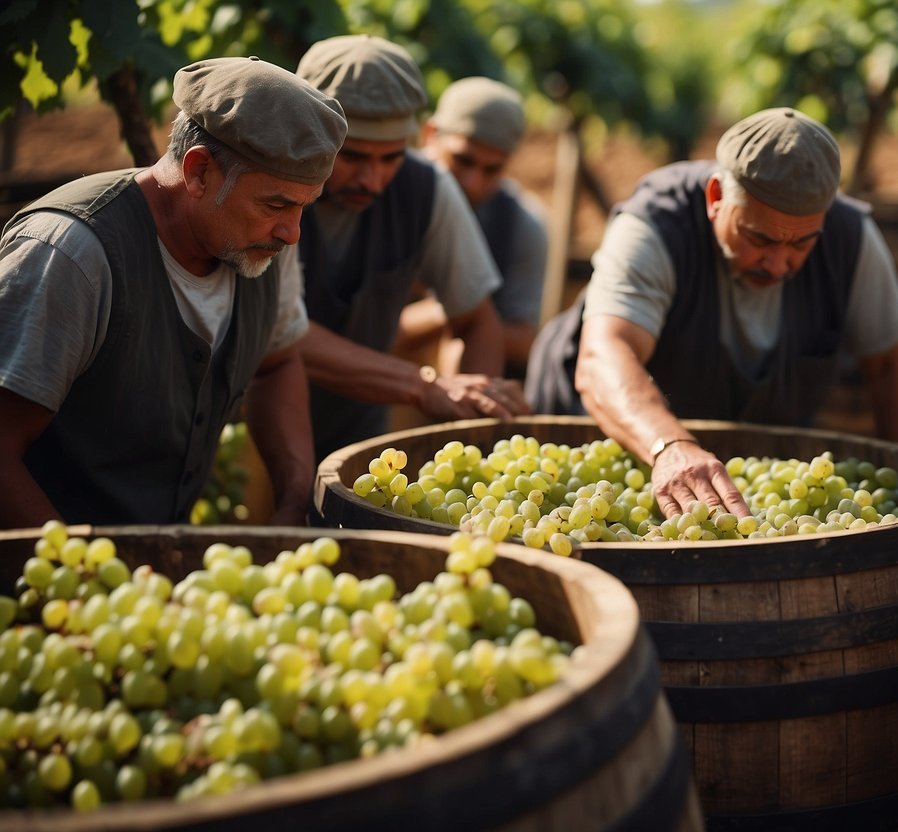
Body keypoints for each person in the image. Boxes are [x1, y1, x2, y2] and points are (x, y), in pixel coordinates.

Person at [527, 107, 898, 520]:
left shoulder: (851, 238)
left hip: (725, 468)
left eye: (800, 245)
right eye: (759, 238)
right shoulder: (655, 225)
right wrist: (669, 444)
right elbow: (604, 353)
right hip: (597, 434)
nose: (776, 264)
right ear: (716, 197)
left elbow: (891, 365)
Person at [0, 56, 347, 528]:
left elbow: (279, 359)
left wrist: (291, 500)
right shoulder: (72, 257)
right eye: (277, 204)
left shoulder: (263, 244)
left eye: (305, 207)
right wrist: (79, 576)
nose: (293, 234)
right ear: (199, 171)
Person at [293, 35, 530, 464]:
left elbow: (478, 321)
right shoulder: (267, 181)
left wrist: (466, 443)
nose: (374, 178)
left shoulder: (427, 187)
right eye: (354, 155)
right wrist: (426, 384)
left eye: (391, 158)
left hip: (356, 432)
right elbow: (280, 335)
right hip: (245, 426)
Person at [397, 76, 548, 378]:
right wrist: (462, 305)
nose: (473, 182)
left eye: (492, 169)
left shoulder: (522, 225)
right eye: (462, 160)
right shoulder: (385, 189)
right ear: (430, 134)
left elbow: (523, 339)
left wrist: (458, 307)